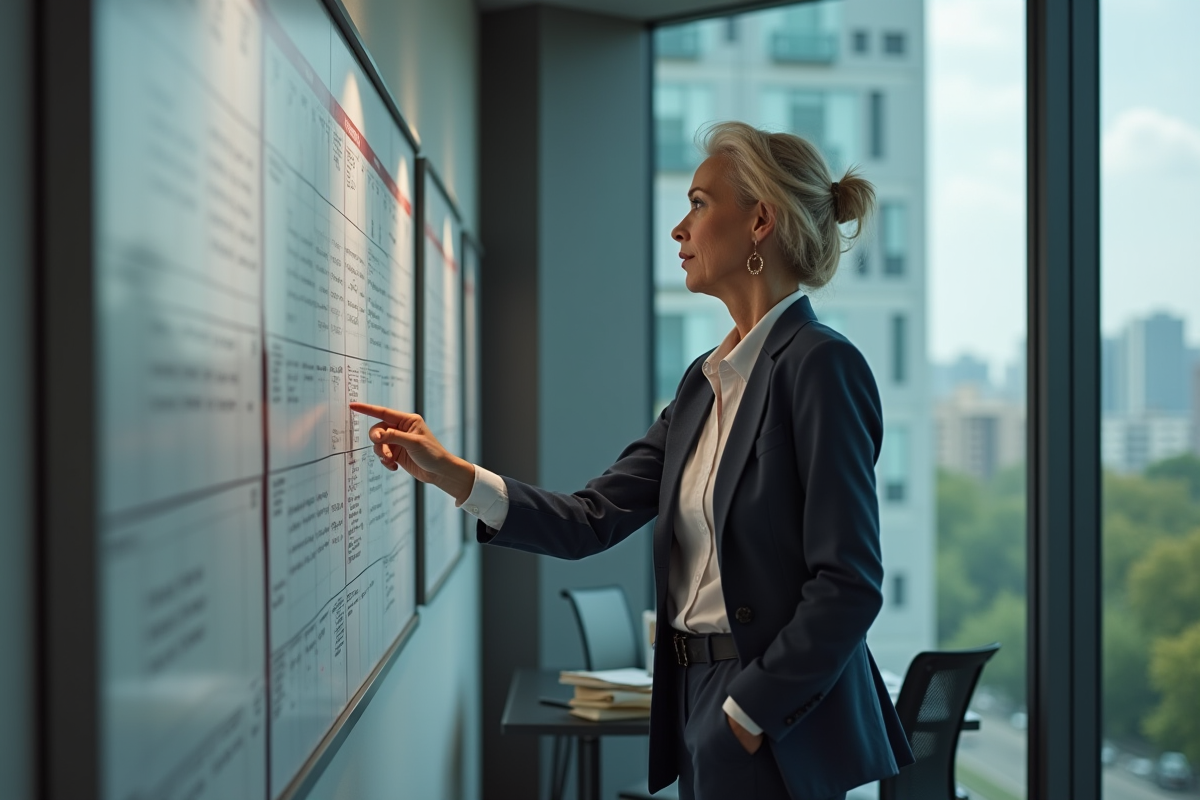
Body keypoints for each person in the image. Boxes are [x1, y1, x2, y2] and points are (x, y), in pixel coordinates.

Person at [351, 121, 914, 800]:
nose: (680, 229)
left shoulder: (822, 367)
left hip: (766, 715)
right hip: (693, 699)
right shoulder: (703, 385)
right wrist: (448, 472)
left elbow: (849, 583)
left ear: (760, 220)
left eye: (700, 204)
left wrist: (745, 713)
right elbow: (589, 520)